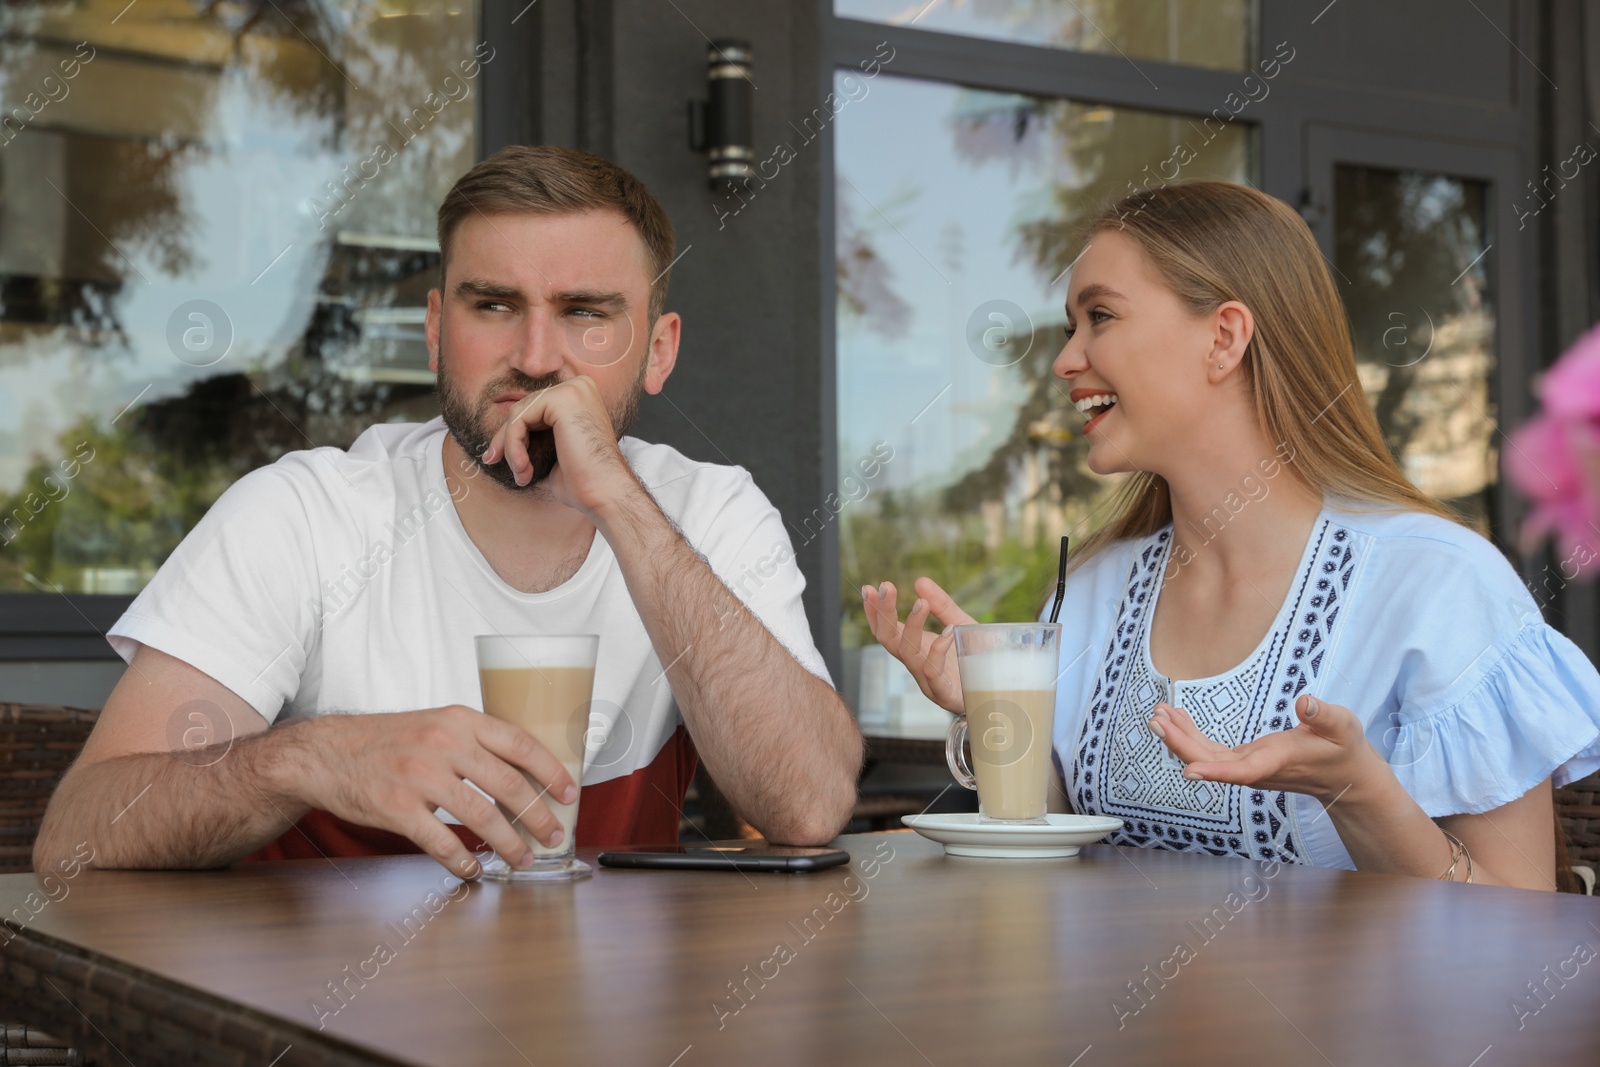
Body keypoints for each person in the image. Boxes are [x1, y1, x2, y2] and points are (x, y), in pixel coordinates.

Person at [33, 146, 862, 881]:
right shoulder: (302, 513)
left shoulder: (706, 512)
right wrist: (306, 757)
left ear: (660, 350)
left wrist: (616, 497)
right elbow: (75, 838)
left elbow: (809, 804)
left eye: (585, 312)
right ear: (436, 331)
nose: (537, 358)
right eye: (493, 304)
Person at [864, 180, 1600, 890]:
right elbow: (1062, 865)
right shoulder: (1088, 591)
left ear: (1224, 337)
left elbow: (1519, 923)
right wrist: (990, 711)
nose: (1065, 359)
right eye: (1070, 325)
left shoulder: (1440, 586)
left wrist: (1359, 792)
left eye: (1101, 317)